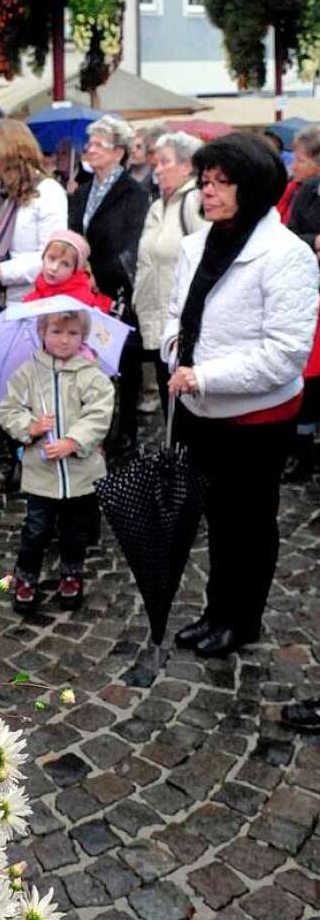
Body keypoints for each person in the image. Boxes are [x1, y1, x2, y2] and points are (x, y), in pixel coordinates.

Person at [162, 132, 319, 659]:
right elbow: (176, 317)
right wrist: (174, 355)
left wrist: (203, 376)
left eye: (220, 184)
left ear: (250, 189)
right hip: (197, 411)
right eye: (204, 182)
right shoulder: (195, 244)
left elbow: (285, 354)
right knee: (214, 519)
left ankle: (241, 619)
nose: (206, 192)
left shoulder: (287, 255)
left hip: (255, 420)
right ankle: (215, 611)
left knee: (248, 526)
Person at [0, 310, 115, 613]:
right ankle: (26, 577)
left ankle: (71, 574)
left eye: (73, 333)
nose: (64, 340)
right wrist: (32, 428)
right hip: (41, 474)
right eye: (56, 332)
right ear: (42, 332)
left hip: (81, 475)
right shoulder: (28, 373)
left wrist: (72, 442)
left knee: (75, 531)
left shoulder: (91, 375)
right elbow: (10, 409)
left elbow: (100, 413)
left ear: (83, 337)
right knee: (36, 529)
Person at [69, 115, 150, 452]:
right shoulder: (81, 191)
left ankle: (127, 427)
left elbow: (128, 242)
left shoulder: (134, 193)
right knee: (87, 359)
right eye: (90, 144)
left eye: (100, 144)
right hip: (82, 288)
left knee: (124, 362)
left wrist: (99, 271)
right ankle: (92, 425)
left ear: (119, 152)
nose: (92, 150)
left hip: (116, 289)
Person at [0, 118, 68, 324]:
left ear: (7, 152)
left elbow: (51, 257)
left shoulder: (48, 192)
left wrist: (2, 270)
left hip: (27, 305)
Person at [134, 131, 205, 418]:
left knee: (183, 404)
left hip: (181, 322)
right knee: (169, 401)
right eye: (156, 162)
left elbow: (204, 261)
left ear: (188, 166)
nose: (157, 169)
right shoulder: (157, 205)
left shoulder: (194, 202)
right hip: (155, 316)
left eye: (165, 162)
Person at [284, 127, 320, 481]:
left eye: (301, 159)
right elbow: (292, 236)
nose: (295, 165)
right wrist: (316, 241)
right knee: (310, 377)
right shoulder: (306, 193)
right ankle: (303, 452)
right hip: (311, 294)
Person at [21, 230, 112, 311]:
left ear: (74, 271)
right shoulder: (36, 292)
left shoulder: (78, 305)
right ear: (43, 256)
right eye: (52, 258)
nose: (54, 268)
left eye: (65, 264)